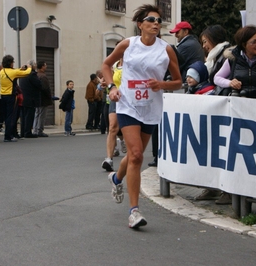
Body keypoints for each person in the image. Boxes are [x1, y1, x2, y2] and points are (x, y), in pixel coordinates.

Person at [102, 4, 182, 228]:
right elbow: (107, 65)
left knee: (136, 156)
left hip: (150, 108)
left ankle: (117, 178)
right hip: (127, 105)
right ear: (140, 24)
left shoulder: (166, 49)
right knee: (136, 154)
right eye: (151, 19)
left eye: (158, 20)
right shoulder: (128, 44)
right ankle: (134, 212)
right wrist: (111, 88)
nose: (156, 23)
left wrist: (161, 84)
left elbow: (178, 81)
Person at [214, 25, 256, 209]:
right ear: (244, 44)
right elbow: (217, 78)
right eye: (254, 42)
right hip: (241, 113)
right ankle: (245, 203)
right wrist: (230, 82)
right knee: (244, 158)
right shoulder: (234, 58)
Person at [195, 25, 232, 203]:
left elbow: (219, 79)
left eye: (205, 41)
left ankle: (226, 190)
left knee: (223, 149)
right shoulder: (214, 57)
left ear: (213, 39)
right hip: (215, 105)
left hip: (223, 105)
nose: (204, 46)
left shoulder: (226, 55)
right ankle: (212, 187)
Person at [0, 55, 31, 142]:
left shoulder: (2, 71)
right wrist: (29, 67)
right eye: (12, 62)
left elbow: (15, 71)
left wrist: (20, 68)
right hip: (11, 95)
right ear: (10, 63)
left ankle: (7, 134)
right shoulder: (13, 72)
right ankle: (8, 136)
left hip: (3, 95)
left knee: (6, 116)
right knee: (11, 116)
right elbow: (26, 73)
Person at [102, 58, 126, 172]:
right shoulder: (115, 65)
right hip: (115, 98)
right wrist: (106, 84)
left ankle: (124, 143)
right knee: (112, 127)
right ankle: (109, 159)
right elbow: (108, 79)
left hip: (129, 99)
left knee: (125, 127)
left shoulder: (132, 63)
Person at [20, 60, 42, 138]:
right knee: (29, 116)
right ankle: (27, 132)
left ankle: (23, 132)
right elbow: (39, 84)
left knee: (24, 116)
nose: (36, 65)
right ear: (32, 66)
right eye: (35, 64)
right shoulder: (32, 74)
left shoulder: (22, 74)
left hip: (24, 98)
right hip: (31, 98)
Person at [33, 61, 53, 137]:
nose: (46, 66)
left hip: (37, 98)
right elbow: (46, 88)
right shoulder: (43, 76)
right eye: (45, 65)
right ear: (42, 67)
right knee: (42, 115)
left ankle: (35, 130)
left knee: (37, 114)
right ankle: (39, 130)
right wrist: (50, 97)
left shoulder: (36, 75)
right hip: (43, 99)